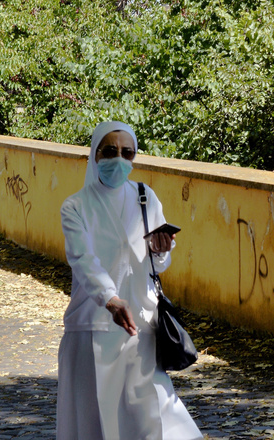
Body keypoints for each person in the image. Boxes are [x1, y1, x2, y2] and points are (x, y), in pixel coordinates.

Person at [56, 120, 202, 440]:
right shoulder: (76, 206)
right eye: (110, 151)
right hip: (92, 327)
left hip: (142, 326)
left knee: (155, 416)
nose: (119, 159)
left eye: (127, 152)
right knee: (98, 420)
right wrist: (110, 298)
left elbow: (158, 262)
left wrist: (162, 250)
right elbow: (83, 259)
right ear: (95, 154)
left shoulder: (144, 196)